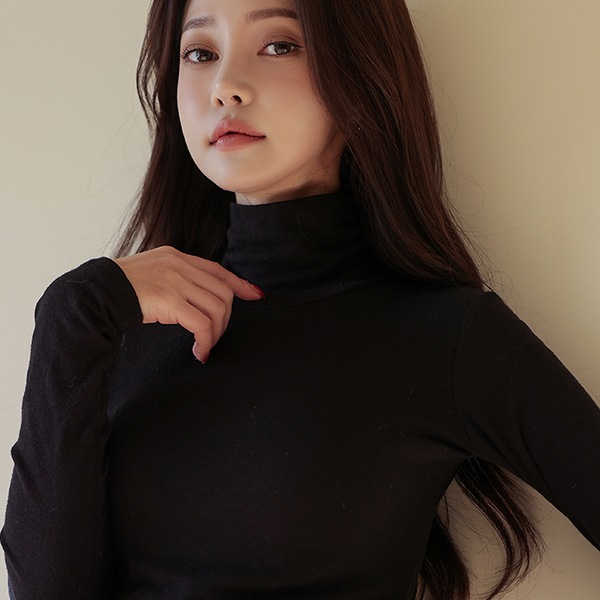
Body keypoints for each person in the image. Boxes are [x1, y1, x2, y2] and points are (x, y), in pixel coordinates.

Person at [2, 0, 599, 598]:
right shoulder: (118, 326)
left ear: (360, 75)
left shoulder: (446, 338)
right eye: (200, 53)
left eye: (279, 45)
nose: (225, 86)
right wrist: (72, 311)